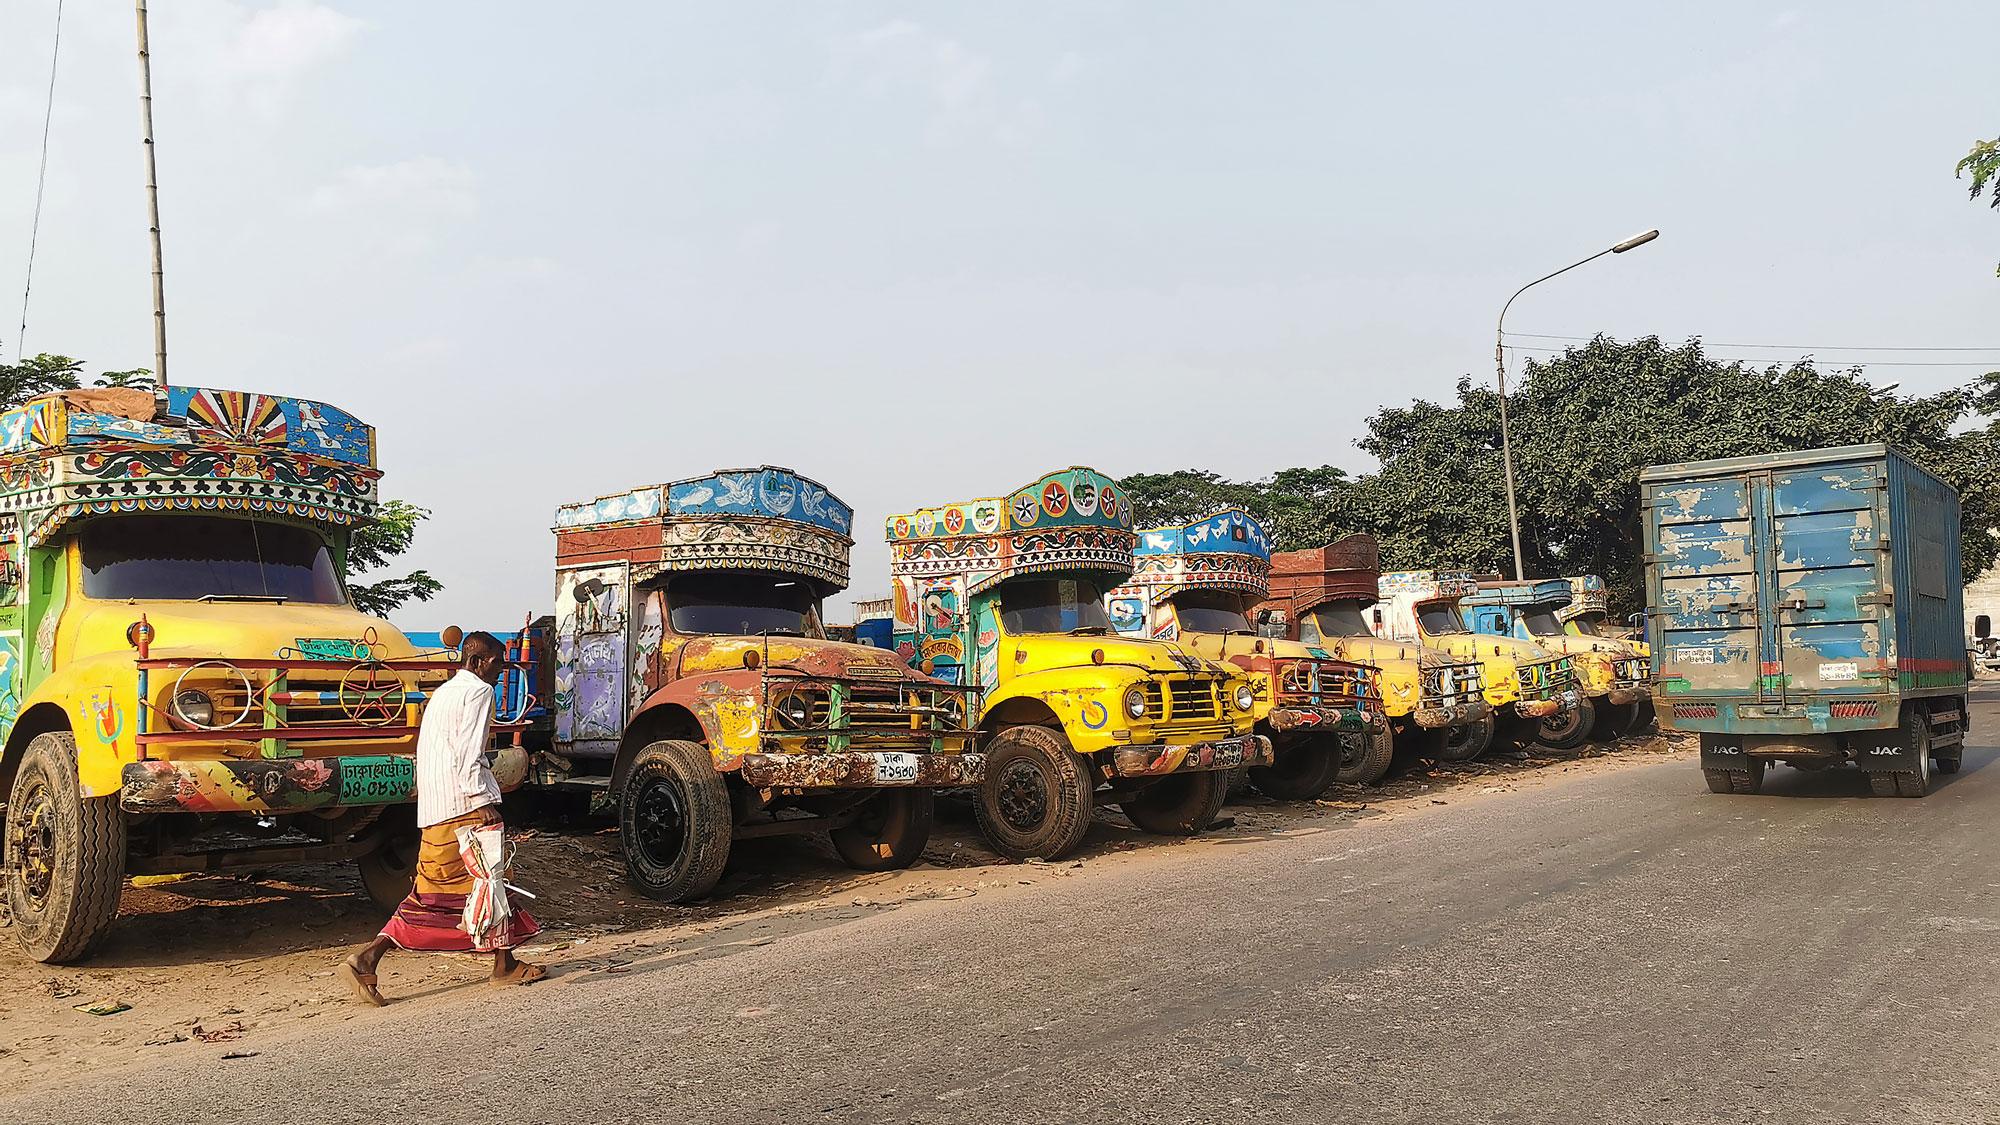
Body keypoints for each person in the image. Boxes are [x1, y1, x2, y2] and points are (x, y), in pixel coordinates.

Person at [340, 632, 544, 1005]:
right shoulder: (479, 692)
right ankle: (368, 956)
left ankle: (504, 962)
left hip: (435, 808)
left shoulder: (444, 694)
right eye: (497, 663)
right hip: (463, 807)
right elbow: (468, 752)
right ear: (479, 662)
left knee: (476, 887)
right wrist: (480, 799)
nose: (500, 672)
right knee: (478, 885)